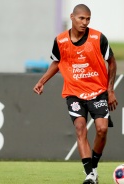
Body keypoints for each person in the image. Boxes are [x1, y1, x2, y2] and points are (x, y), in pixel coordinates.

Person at [33, 4, 118, 184]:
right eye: (81, 18)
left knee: (102, 129)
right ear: (72, 17)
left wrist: (110, 90)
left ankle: (93, 167)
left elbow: (111, 62)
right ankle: (90, 175)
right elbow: (57, 62)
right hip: (74, 92)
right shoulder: (60, 41)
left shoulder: (98, 38)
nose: (85, 22)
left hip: (98, 91)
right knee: (80, 128)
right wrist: (42, 81)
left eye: (88, 19)